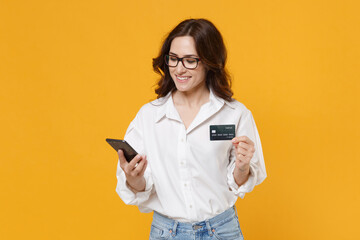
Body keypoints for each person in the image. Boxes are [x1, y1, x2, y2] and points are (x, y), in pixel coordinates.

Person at [115, 18, 267, 240]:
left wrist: (243, 167)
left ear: (209, 62)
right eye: (174, 59)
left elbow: (239, 183)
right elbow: (139, 186)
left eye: (190, 61)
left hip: (222, 231)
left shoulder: (235, 114)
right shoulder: (149, 116)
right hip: (166, 233)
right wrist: (133, 178)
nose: (179, 68)